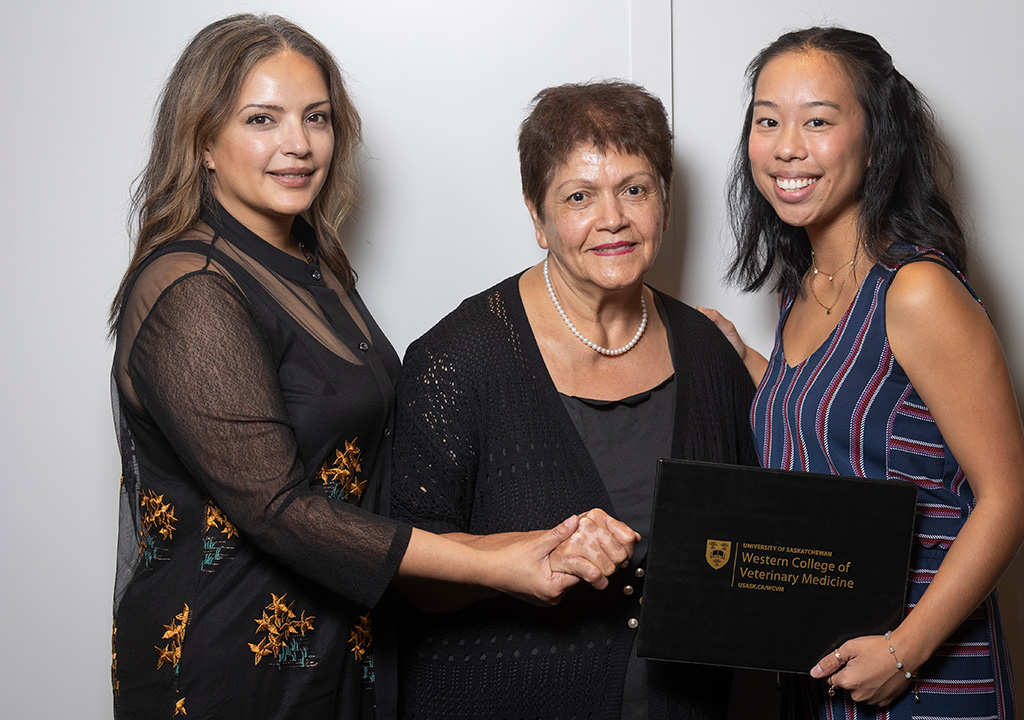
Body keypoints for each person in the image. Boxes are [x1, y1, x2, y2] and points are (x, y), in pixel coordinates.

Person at [108, 15, 635, 719]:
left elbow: (370, 456)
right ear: (204, 140)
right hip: (232, 666)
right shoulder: (192, 289)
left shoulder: (311, 263)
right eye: (262, 119)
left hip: (342, 647)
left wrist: (526, 541)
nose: (298, 144)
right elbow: (280, 512)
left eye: (316, 118)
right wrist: (494, 563)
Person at [390, 80, 758, 719]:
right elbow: (409, 575)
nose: (612, 218)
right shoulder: (458, 359)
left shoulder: (706, 352)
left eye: (635, 189)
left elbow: (755, 546)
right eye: (579, 196)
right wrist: (522, 560)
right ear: (537, 217)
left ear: (665, 206)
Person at [704, 26, 1024, 718]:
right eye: (767, 120)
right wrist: (742, 357)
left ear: (877, 136)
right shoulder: (801, 287)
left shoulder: (916, 291)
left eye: (818, 121)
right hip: (822, 669)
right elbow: (844, 425)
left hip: (922, 675)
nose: (786, 146)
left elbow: (1011, 496)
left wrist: (903, 651)